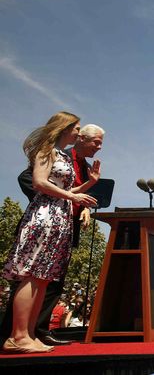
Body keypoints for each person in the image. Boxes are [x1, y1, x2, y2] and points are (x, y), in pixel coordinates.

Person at [2, 112, 98, 354]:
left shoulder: (62, 154)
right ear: (65, 128)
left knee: (44, 278)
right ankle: (18, 335)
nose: (78, 132)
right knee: (32, 274)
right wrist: (73, 196)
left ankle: (30, 334)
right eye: (76, 128)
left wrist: (88, 185)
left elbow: (66, 188)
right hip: (44, 216)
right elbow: (39, 182)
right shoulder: (46, 150)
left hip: (59, 218)